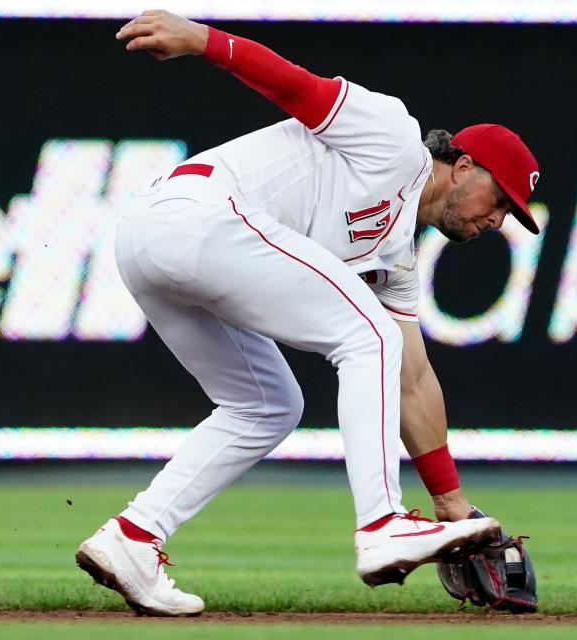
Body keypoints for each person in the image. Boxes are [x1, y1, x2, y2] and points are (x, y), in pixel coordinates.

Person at [76, 10, 542, 617]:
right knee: (369, 334)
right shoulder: (394, 137)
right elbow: (296, 86)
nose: (497, 219)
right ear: (462, 165)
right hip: (193, 214)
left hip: (158, 244)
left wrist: (451, 503)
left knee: (268, 404)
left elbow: (414, 379)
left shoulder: (396, 256)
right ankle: (380, 523)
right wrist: (204, 41)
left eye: (512, 213)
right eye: (500, 198)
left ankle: (134, 538)